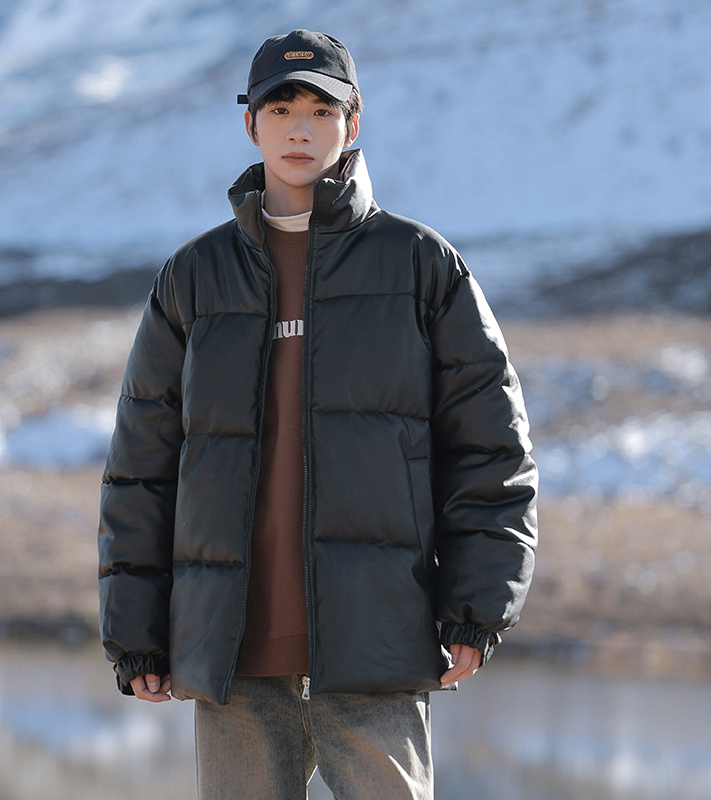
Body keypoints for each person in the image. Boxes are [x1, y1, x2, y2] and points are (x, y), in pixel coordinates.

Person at [98, 28, 537, 800]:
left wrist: (476, 609)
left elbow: (491, 450)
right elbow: (141, 466)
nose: (299, 129)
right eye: (280, 109)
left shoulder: (421, 266)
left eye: (321, 111)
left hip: (379, 647)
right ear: (251, 125)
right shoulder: (193, 278)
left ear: (352, 123)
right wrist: (136, 629)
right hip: (233, 657)